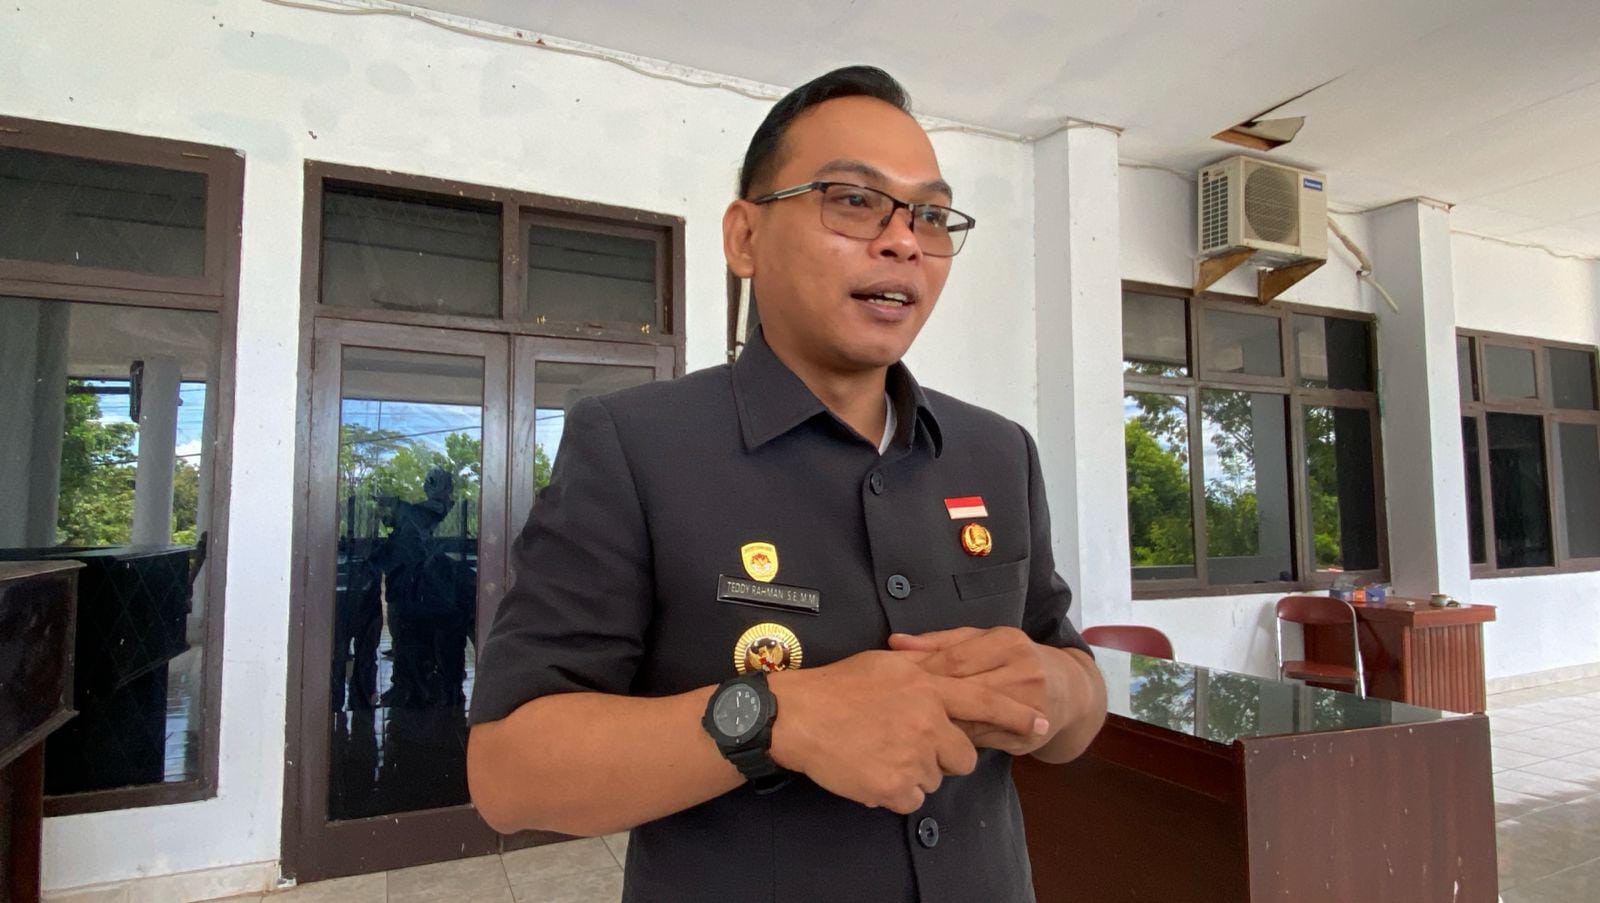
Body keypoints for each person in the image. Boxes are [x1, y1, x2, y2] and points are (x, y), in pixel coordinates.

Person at [467, 65, 1107, 902]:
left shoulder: (998, 452)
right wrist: (776, 717)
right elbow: (509, 771)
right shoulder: (637, 446)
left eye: (930, 215)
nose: (904, 241)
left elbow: (1071, 679)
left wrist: (1060, 690)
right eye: (854, 200)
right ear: (745, 238)